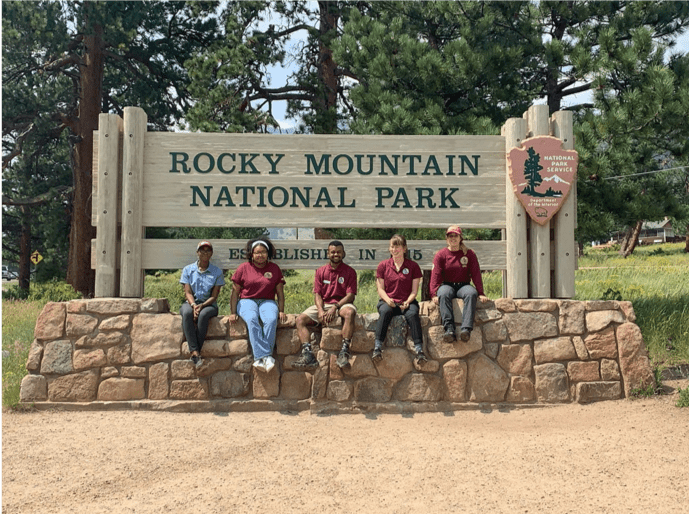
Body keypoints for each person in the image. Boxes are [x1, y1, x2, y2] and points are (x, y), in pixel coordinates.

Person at [293, 240, 358, 370]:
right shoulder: (321, 271)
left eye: (339, 252)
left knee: (350, 313)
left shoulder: (350, 272)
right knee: (300, 320)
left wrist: (335, 307)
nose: (336, 254)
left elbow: (350, 295)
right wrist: (320, 311)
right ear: (328, 253)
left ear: (343, 253)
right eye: (333, 252)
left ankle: (344, 352)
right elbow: (317, 294)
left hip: (342, 304)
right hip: (324, 304)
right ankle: (307, 354)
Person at [229, 238, 286, 372]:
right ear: (251, 254)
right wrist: (232, 312)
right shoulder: (243, 268)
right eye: (257, 252)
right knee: (251, 319)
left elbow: (280, 293)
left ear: (268, 253)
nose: (260, 255)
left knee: (271, 320)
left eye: (263, 252)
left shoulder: (274, 268)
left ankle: (261, 358)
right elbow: (235, 292)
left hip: (267, 301)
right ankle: (265, 356)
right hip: (247, 300)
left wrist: (281, 310)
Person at [430, 225, 489, 342]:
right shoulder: (441, 255)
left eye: (455, 236)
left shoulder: (469, 254)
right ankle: (449, 329)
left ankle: (466, 329)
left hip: (464, 285)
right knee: (444, 294)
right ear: (446, 239)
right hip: (447, 284)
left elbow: (476, 273)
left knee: (471, 293)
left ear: (460, 238)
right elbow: (435, 275)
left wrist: (480, 292)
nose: (453, 238)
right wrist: (433, 294)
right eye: (450, 236)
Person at [373, 234, 426, 363]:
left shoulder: (413, 266)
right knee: (385, 312)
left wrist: (408, 301)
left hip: (407, 301)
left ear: (404, 248)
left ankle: (419, 351)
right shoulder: (383, 265)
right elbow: (380, 289)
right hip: (388, 301)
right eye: (392, 246)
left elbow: (414, 291)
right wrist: (388, 300)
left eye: (398, 246)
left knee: (413, 314)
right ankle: (377, 348)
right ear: (389, 249)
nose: (395, 249)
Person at [180, 240, 225, 367]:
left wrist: (202, 306)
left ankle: (195, 352)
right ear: (197, 253)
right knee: (187, 313)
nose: (205, 253)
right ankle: (195, 351)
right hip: (190, 303)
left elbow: (214, 296)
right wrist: (194, 305)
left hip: (209, 305)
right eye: (202, 250)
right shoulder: (188, 270)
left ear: (211, 253)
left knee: (204, 315)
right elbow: (187, 292)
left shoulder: (217, 272)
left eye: (208, 251)